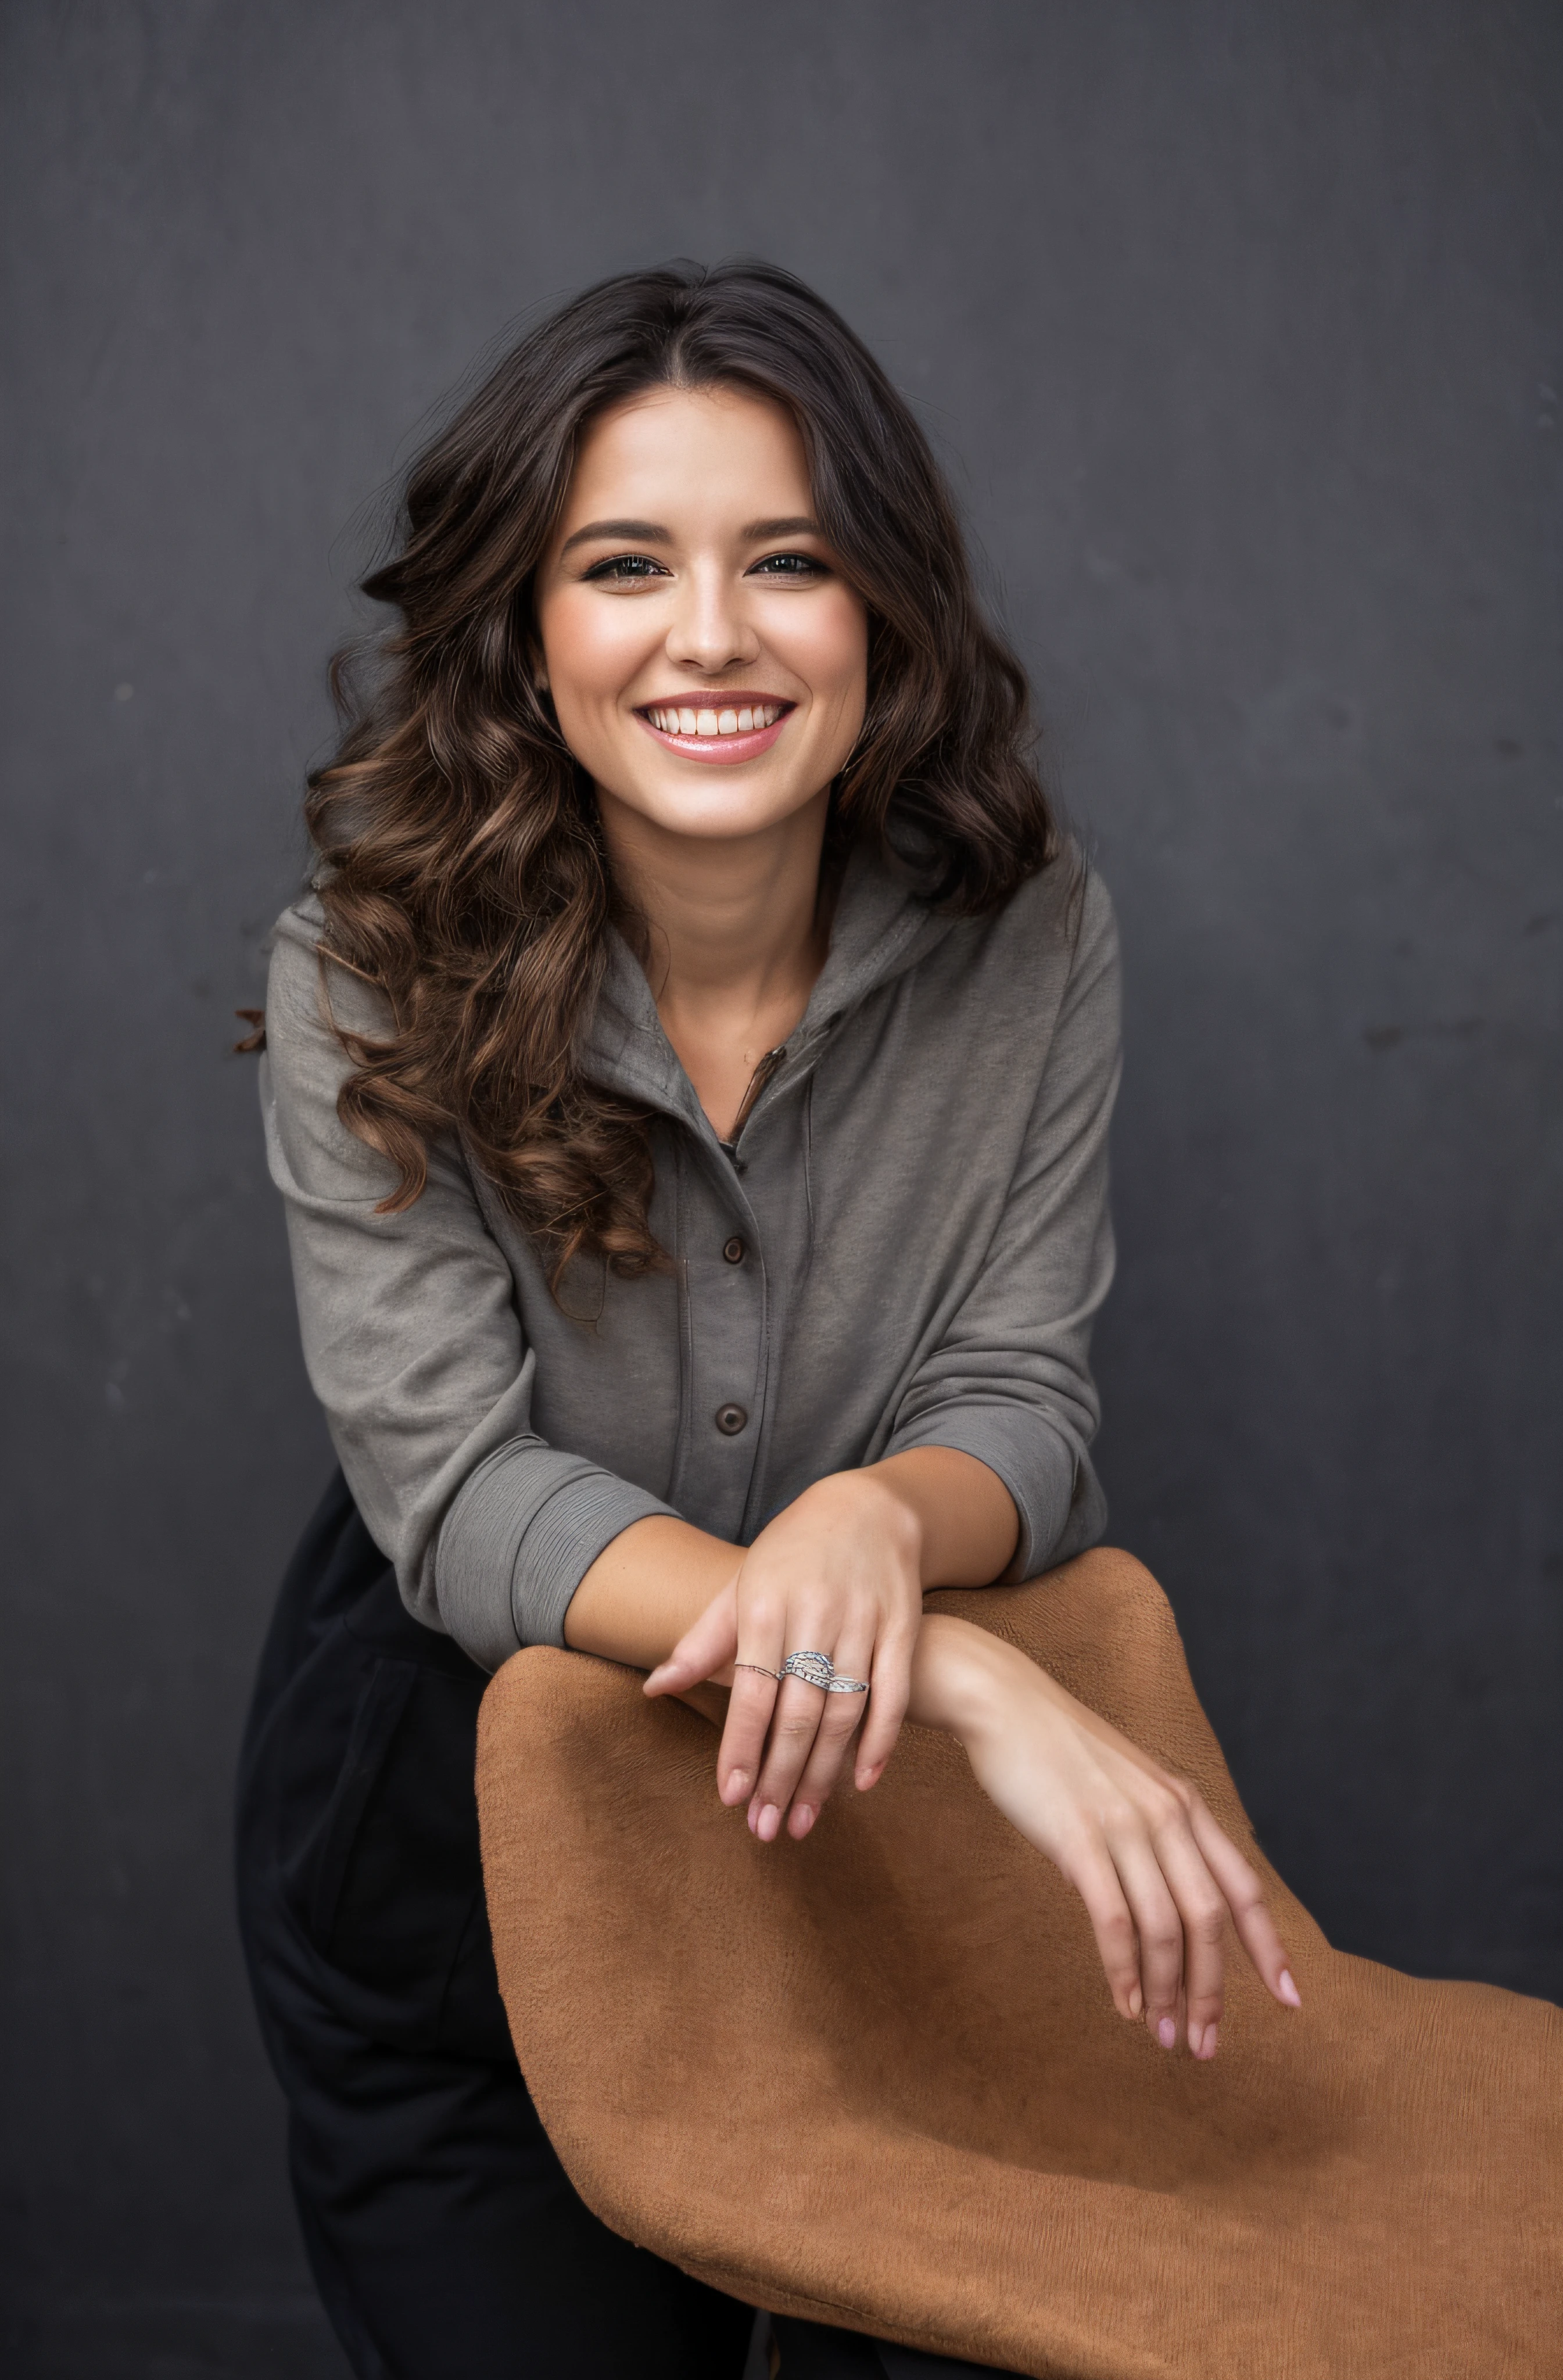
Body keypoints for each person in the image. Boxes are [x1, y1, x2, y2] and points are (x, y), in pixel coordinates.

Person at [236, 260, 1300, 2380]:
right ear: (530, 643)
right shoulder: (365, 965)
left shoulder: (1036, 934)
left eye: (787, 561)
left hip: (878, 1869)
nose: (708, 634)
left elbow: (1015, 1388)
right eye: (624, 565)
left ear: (881, 614)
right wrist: (963, 1690)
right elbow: (452, 1499)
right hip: (461, 1836)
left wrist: (878, 1523)